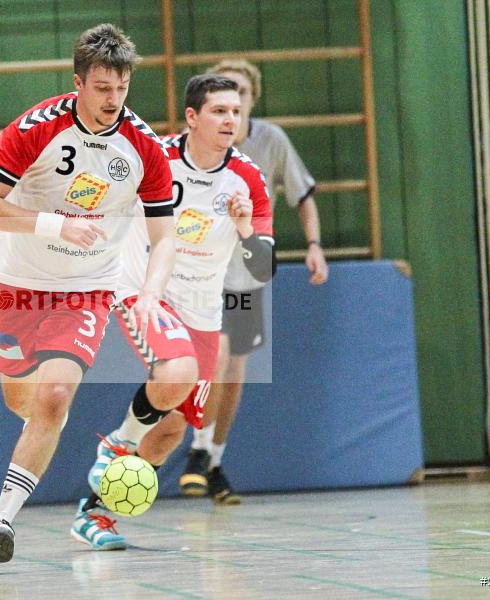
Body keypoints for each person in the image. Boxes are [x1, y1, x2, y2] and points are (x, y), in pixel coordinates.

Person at [0, 23, 180, 570]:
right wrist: (54, 226)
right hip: (18, 283)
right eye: (103, 88)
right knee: (25, 403)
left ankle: (0, 522)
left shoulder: (143, 148)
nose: (114, 100)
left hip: (85, 289)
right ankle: (37, 438)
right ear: (79, 82)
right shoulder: (35, 129)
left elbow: (166, 235)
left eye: (122, 88)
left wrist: (152, 291)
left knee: (55, 396)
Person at [70, 74, 275, 550]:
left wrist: (245, 229)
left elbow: (264, 268)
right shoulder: (152, 158)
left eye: (236, 111)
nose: (230, 119)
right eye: (219, 111)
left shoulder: (245, 179)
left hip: (204, 310)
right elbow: (89, 197)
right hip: (145, 290)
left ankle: (94, 514)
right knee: (176, 370)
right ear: (192, 117)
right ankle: (117, 444)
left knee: (172, 430)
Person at [179, 59, 329, 503]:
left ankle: (214, 460)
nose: (233, 107)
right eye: (223, 100)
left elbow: (303, 195)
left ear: (251, 101)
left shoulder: (271, 141)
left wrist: (314, 245)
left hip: (246, 271)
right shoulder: (195, 145)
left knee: (235, 369)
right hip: (202, 270)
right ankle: (195, 449)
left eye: (240, 96)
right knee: (215, 355)